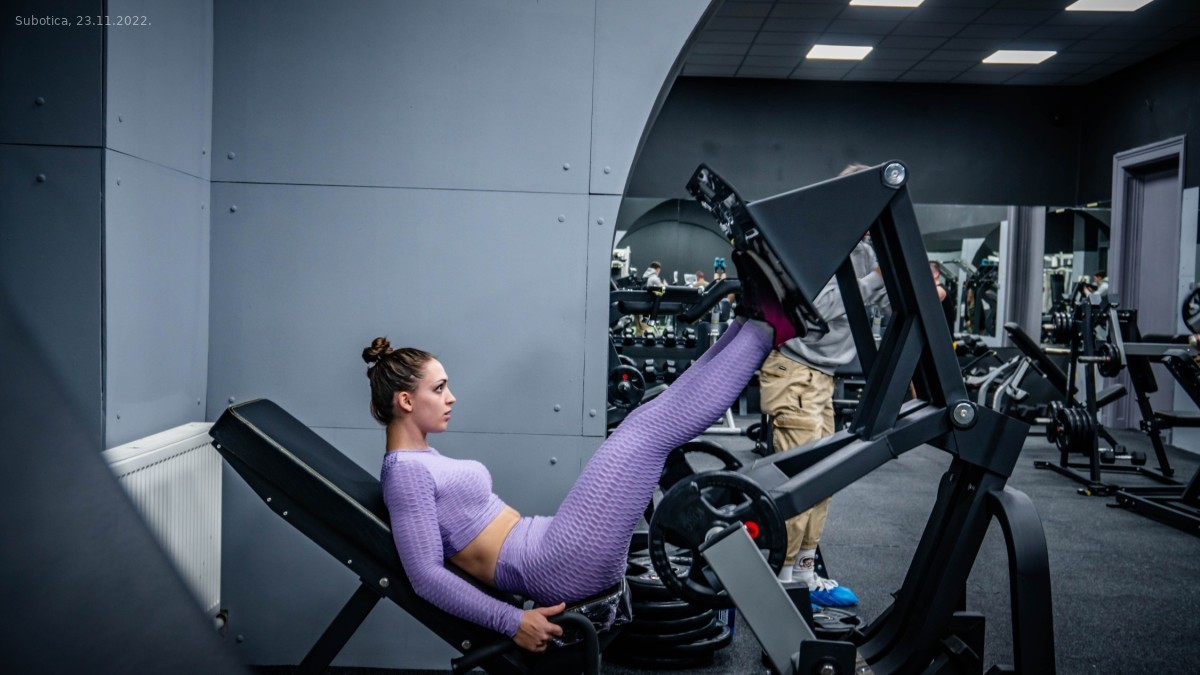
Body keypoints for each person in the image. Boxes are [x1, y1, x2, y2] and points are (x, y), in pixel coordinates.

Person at [365, 281, 792, 653]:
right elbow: (424, 576)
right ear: (406, 401)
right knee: (647, 433)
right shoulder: (405, 473)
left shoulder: (419, 459)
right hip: (554, 563)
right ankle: (766, 328)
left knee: (647, 422)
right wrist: (512, 622)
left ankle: (749, 320)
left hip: (551, 546)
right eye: (439, 389)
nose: (451, 397)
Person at [756, 163, 886, 607]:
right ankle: (782, 581)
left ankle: (805, 573)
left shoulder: (865, 249)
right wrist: (875, 281)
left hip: (821, 378)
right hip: (795, 372)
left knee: (823, 481)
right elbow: (820, 307)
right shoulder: (822, 241)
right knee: (801, 483)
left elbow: (872, 300)